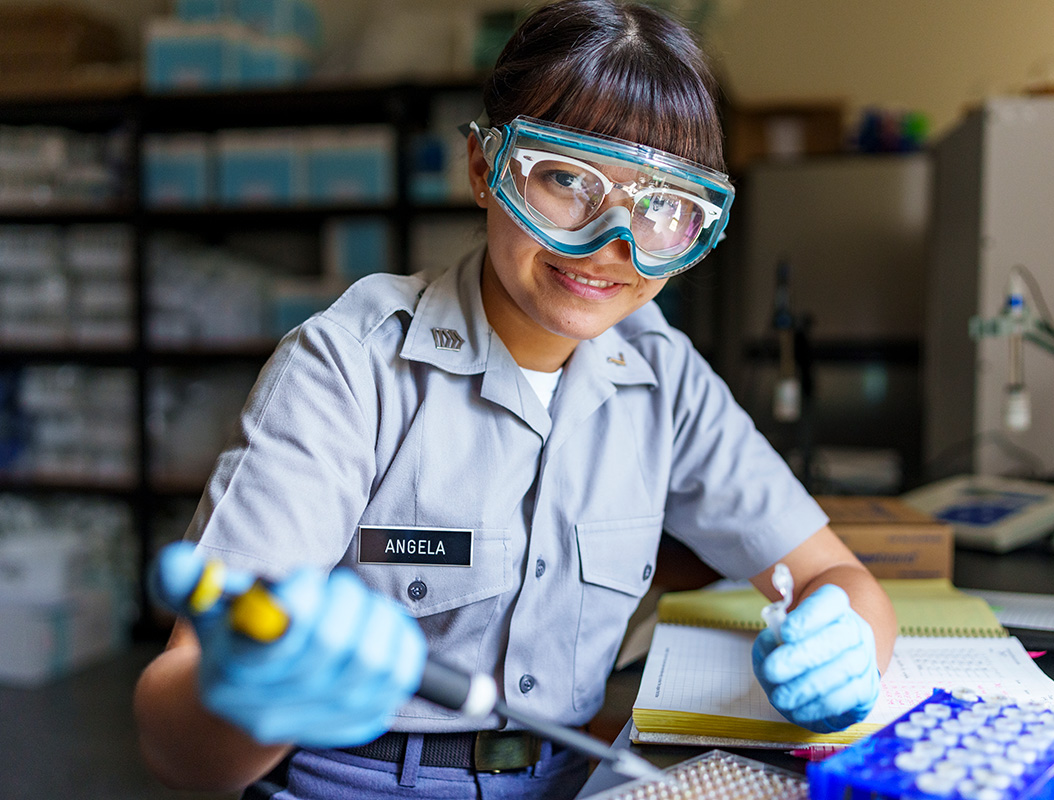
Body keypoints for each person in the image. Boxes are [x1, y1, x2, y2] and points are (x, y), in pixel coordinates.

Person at [133, 1, 898, 798]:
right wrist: (254, 702)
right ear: (483, 169)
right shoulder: (351, 366)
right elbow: (176, 737)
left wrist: (843, 640)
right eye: (567, 179)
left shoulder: (662, 374)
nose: (611, 243)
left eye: (661, 206)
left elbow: (839, 578)